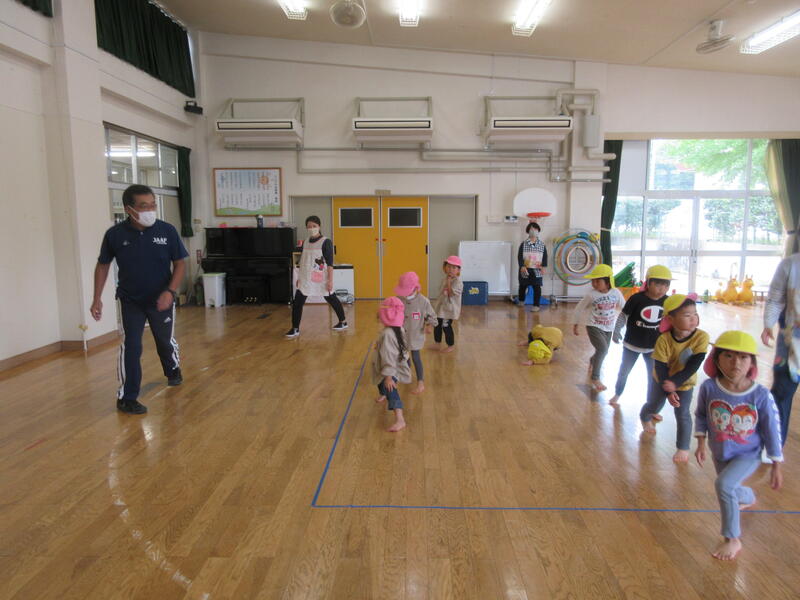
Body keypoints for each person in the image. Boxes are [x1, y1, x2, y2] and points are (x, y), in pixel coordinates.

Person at [90, 184, 188, 415]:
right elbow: (103, 265)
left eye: (153, 205)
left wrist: (170, 291)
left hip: (161, 299)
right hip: (130, 300)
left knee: (164, 341)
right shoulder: (115, 235)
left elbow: (180, 264)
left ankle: (172, 369)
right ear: (129, 209)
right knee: (131, 346)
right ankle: (127, 397)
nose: (150, 210)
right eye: (144, 206)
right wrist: (96, 298)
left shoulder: (167, 231)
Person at [694, 331, 784, 561]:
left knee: (724, 485)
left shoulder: (760, 395)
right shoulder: (709, 388)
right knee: (731, 487)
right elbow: (702, 415)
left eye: (743, 357)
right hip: (720, 452)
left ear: (752, 362)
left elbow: (771, 428)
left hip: (748, 454)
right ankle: (748, 496)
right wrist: (701, 442)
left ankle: (732, 538)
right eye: (729, 356)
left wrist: (776, 464)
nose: (736, 363)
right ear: (717, 359)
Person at [639, 294, 709, 463]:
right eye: (687, 315)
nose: (693, 318)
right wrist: (668, 389)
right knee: (655, 405)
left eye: (695, 313)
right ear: (671, 319)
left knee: (682, 413)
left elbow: (694, 364)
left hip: (684, 384)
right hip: (661, 380)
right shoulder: (663, 339)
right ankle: (645, 416)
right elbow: (660, 366)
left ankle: (683, 447)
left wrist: (675, 384)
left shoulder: (701, 337)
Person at [609, 265, 672, 406]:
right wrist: (617, 330)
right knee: (624, 372)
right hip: (632, 345)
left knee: (653, 376)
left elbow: (671, 320)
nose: (662, 289)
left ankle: (651, 404)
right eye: (658, 284)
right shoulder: (637, 299)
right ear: (648, 283)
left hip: (653, 347)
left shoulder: (667, 301)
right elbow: (623, 316)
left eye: (666, 285)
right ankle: (617, 393)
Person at [761, 251, 800, 447]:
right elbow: (776, 298)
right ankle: (773, 445)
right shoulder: (790, 265)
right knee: (782, 392)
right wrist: (768, 323)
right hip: (791, 343)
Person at [285, 216, 347, 339]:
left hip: (321, 277)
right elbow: (303, 261)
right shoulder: (306, 242)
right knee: (298, 302)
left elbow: (330, 263)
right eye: (309, 226)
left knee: (331, 299)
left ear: (319, 226)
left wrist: (330, 280)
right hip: (305, 278)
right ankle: (295, 328)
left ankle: (343, 321)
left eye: (314, 226)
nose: (311, 228)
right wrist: (299, 277)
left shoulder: (326, 242)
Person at [571, 264, 625, 392]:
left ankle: (593, 360)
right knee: (603, 349)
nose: (594, 284)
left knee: (603, 351)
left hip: (609, 328)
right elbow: (579, 308)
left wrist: (628, 323)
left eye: (598, 281)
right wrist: (575, 323)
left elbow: (625, 308)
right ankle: (595, 378)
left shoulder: (616, 293)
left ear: (608, 282)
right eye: (593, 281)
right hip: (593, 326)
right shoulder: (591, 295)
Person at [373, 297, 413, 432]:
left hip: (392, 366)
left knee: (390, 387)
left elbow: (389, 357)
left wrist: (389, 377)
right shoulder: (397, 329)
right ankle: (383, 393)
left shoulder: (388, 334)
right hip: (397, 362)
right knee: (380, 381)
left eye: (379, 318)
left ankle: (400, 419)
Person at [395, 271, 437, 394]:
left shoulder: (423, 301)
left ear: (414, 288)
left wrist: (429, 325)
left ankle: (420, 382)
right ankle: (406, 374)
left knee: (415, 357)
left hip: (416, 335)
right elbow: (393, 312)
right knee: (404, 356)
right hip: (402, 334)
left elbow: (432, 316)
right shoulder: (399, 299)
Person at [433, 256, 463, 354]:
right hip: (442, 307)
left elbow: (450, 294)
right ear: (445, 267)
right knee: (437, 324)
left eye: (454, 268)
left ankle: (450, 345)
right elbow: (441, 293)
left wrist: (449, 282)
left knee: (446, 326)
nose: (450, 269)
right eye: (449, 267)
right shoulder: (445, 279)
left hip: (450, 309)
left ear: (458, 270)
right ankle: (437, 343)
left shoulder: (458, 282)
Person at [517, 222, 548, 311]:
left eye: (535, 229)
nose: (533, 231)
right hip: (525, 269)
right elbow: (519, 256)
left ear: (538, 230)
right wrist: (522, 266)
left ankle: (536, 305)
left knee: (537, 287)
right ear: (528, 231)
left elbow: (545, 256)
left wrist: (544, 267)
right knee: (523, 286)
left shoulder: (542, 244)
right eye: (531, 229)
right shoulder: (523, 244)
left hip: (537, 269)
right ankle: (521, 301)